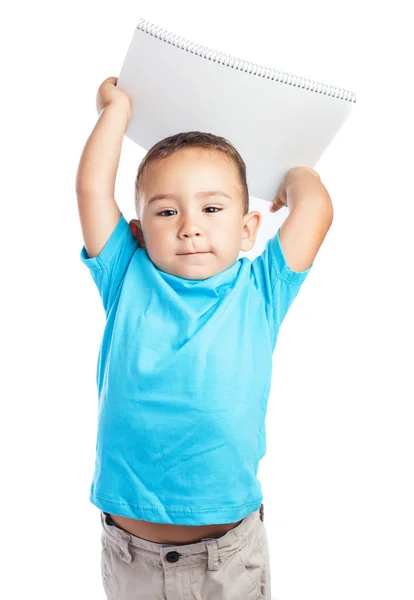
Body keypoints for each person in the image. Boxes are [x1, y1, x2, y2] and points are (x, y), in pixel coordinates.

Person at [76, 76, 334, 600]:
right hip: (131, 556)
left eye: (212, 209)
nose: (190, 226)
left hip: (227, 559)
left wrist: (296, 175)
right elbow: (91, 190)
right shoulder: (126, 276)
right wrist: (116, 111)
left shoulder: (260, 289)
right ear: (138, 230)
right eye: (167, 211)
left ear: (247, 229)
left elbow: (317, 209)